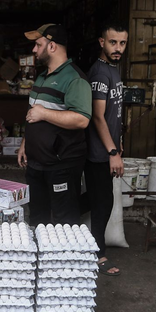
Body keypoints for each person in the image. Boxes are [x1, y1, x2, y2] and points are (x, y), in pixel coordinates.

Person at [18, 24, 92, 226]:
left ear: (52, 46)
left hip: (61, 165)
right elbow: (33, 114)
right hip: (36, 163)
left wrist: (44, 113)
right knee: (37, 218)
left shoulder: (74, 79)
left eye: (38, 44)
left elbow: (81, 119)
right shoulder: (42, 77)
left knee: (64, 222)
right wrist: (25, 142)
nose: (34, 49)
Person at [85, 23, 129, 276]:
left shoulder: (112, 68)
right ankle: (97, 254)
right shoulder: (100, 73)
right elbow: (98, 116)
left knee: (99, 199)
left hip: (108, 146)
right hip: (98, 151)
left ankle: (61, 221)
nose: (118, 48)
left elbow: (113, 113)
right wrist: (112, 152)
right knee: (102, 202)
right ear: (102, 42)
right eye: (113, 42)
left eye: (122, 43)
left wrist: (117, 141)